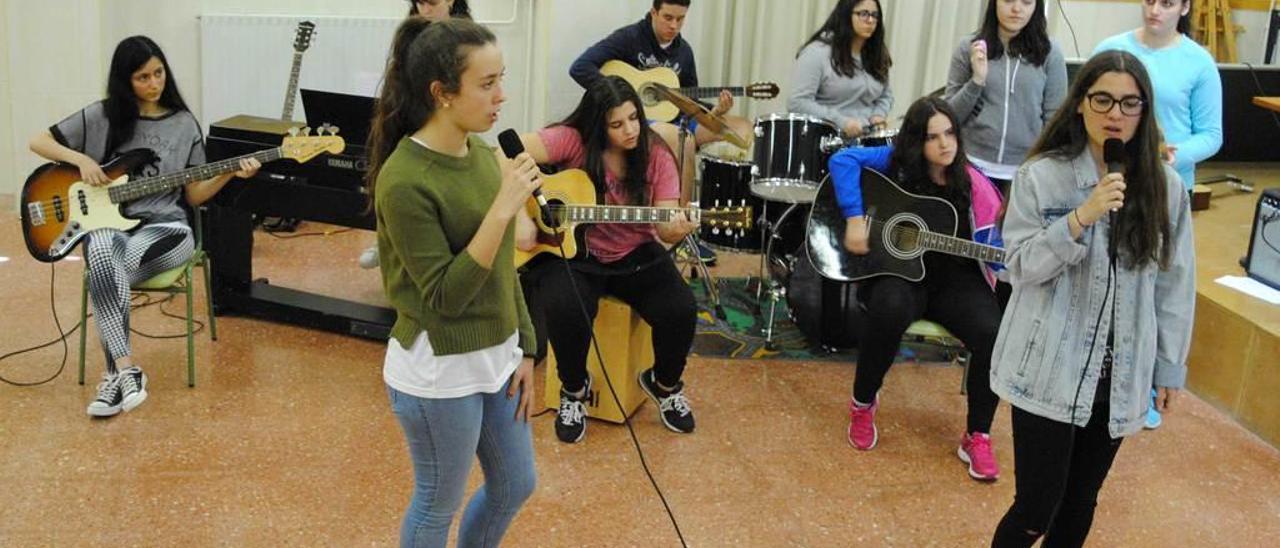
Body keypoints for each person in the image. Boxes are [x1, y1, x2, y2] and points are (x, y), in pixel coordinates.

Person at [989, 50, 1195, 547]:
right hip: (1049, 368)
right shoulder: (1042, 175)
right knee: (1036, 508)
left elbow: (1174, 283)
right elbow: (1018, 265)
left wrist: (1169, 367)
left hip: (1119, 373)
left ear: (1144, 112)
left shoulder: (1165, 189)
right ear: (1080, 103)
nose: (1115, 114)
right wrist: (1080, 218)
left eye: (1129, 103)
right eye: (1102, 99)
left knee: (1080, 503)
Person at [366, 18, 539, 546]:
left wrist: (526, 346)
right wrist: (503, 209)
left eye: (500, 80)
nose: (501, 96)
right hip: (437, 370)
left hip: (497, 357)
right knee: (438, 503)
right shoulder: (403, 181)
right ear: (442, 94)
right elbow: (444, 296)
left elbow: (504, 265)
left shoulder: (483, 156)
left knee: (515, 484)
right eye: (486, 85)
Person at [29, 36, 260, 418]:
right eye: (142, 77)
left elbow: (196, 196)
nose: (154, 84)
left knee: (105, 266)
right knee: (103, 249)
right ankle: (125, 371)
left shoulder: (185, 124)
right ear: (125, 81)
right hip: (112, 228)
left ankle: (112, 379)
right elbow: (38, 141)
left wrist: (231, 172)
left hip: (167, 230)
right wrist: (82, 160)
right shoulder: (104, 116)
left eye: (159, 73)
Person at [829, 97, 1006, 482]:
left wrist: (1012, 259)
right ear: (915, 141)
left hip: (955, 279)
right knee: (888, 310)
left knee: (993, 333)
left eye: (949, 133)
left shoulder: (974, 183)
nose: (945, 144)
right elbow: (842, 160)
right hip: (901, 272)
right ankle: (863, 402)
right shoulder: (896, 162)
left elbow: (998, 244)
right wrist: (855, 218)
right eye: (932, 137)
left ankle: (978, 434)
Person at [515, 76, 699, 444]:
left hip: (634, 253)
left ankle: (664, 384)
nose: (630, 130)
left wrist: (679, 228)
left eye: (634, 118)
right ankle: (574, 389)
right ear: (597, 124)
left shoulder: (656, 156)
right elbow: (505, 153)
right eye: (617, 124)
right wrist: (521, 212)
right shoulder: (572, 140)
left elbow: (664, 229)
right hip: (570, 252)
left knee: (681, 308)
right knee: (564, 306)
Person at [1093, 0, 1220, 431]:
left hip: (1162, 187)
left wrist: (1173, 154)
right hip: (1110, 178)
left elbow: (1212, 134)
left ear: (1184, 7)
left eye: (1167, 2)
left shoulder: (1199, 63)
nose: (1155, 10)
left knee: (1154, 288)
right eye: (1148, 0)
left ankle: (1145, 385)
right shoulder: (1112, 47)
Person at [569, 0, 747, 264]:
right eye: (667, 17)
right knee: (681, 139)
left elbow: (690, 101)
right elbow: (580, 67)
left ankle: (726, 222)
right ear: (653, 12)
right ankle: (680, 229)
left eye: (680, 19)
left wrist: (717, 111)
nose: (674, 25)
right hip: (639, 121)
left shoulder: (683, 52)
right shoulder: (629, 38)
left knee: (741, 127)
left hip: (674, 119)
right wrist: (621, 97)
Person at [358, 0, 475, 271]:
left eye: (431, 3)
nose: (425, 9)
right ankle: (385, 237)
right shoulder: (410, 31)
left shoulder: (466, 35)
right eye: (419, 3)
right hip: (408, 109)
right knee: (389, 168)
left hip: (444, 116)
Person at [945, 0, 1067, 195]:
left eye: (1027, 2)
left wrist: (1044, 167)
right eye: (1008, 0)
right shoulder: (969, 47)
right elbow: (949, 118)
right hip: (970, 166)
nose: (1017, 9)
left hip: (1024, 173)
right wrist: (976, 81)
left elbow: (1056, 120)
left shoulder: (1051, 53)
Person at [787, 0, 894, 139]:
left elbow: (886, 95)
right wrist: (841, 122)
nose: (870, 20)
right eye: (863, 14)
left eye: (875, 15)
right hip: (826, 140)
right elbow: (797, 102)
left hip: (867, 140)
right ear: (845, 15)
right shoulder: (817, 53)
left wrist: (879, 114)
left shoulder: (876, 54)